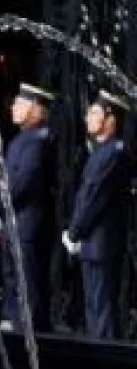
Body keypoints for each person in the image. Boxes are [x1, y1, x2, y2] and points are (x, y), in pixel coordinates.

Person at [0, 82, 57, 330]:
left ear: (36, 108)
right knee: (15, 280)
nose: (13, 107)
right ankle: (16, 323)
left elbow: (22, 182)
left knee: (28, 284)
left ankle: (29, 331)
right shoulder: (23, 139)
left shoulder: (37, 140)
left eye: (20, 103)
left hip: (28, 224)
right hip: (16, 223)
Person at [63, 88, 131, 339]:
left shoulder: (113, 152)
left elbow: (93, 198)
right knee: (95, 308)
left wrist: (74, 232)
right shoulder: (102, 152)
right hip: (94, 243)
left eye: (94, 112)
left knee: (102, 312)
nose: (87, 118)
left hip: (101, 242)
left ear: (110, 118)